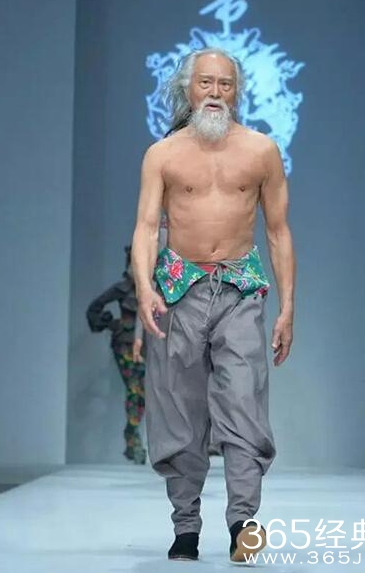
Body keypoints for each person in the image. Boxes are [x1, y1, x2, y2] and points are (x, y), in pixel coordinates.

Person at [131, 47, 295, 562]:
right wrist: (143, 288)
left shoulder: (261, 151)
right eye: (206, 83)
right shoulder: (163, 154)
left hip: (240, 289)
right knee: (179, 411)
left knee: (245, 403)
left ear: (237, 90)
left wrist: (288, 306)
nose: (215, 93)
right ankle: (186, 526)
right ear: (188, 87)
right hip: (179, 289)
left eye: (225, 84)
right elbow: (145, 228)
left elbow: (278, 231)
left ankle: (243, 522)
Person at [86, 245, 148, 464]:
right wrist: (112, 324)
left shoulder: (153, 289)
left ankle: (132, 437)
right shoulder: (122, 289)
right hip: (125, 346)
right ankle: (133, 439)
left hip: (147, 347)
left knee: (142, 394)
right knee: (135, 390)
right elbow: (94, 308)